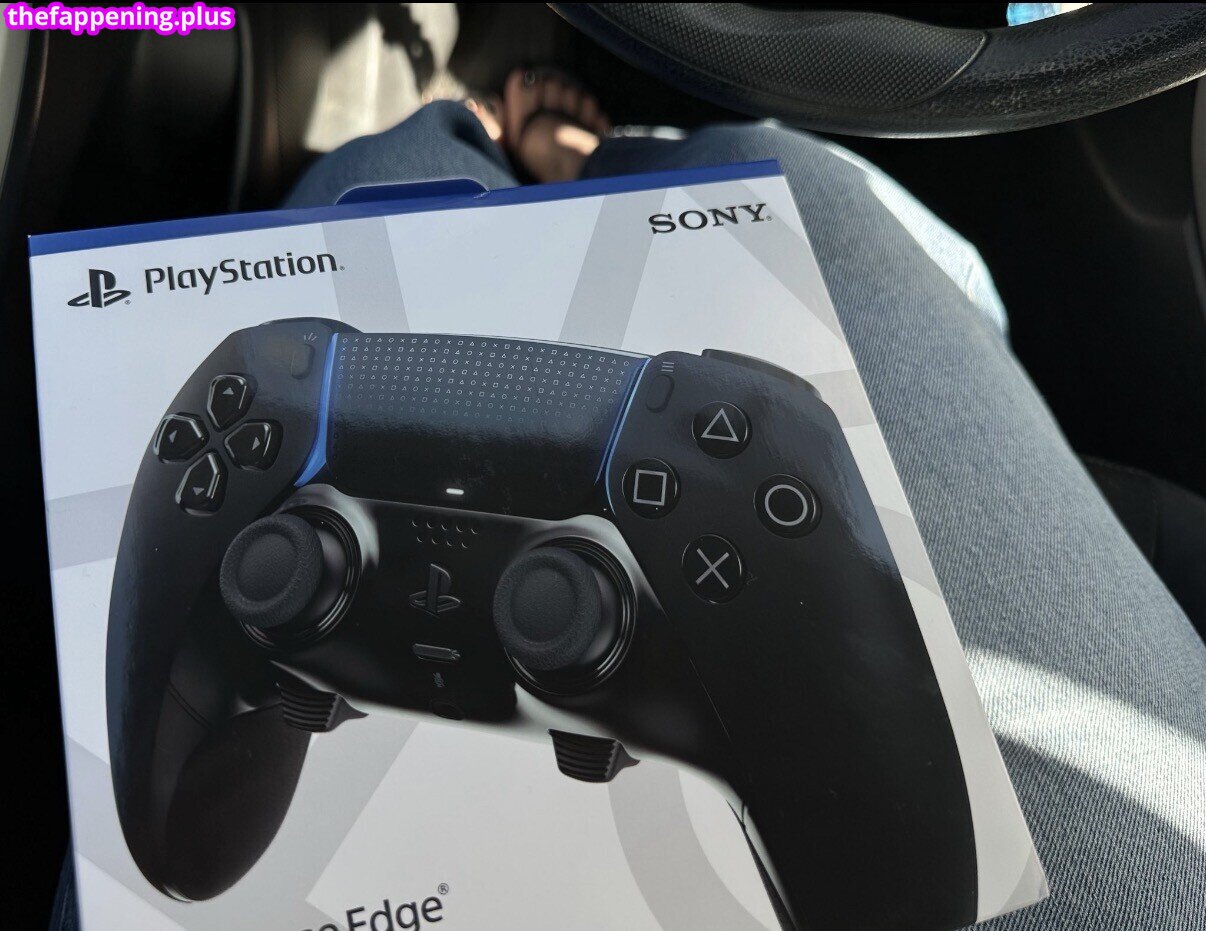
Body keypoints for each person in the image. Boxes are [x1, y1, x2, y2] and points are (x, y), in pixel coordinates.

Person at [53, 70, 1205, 930]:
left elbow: (182, 867)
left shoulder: (259, 424)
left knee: (385, 179)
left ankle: (477, 135)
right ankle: (599, 158)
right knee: (780, 169)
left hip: (333, 388)